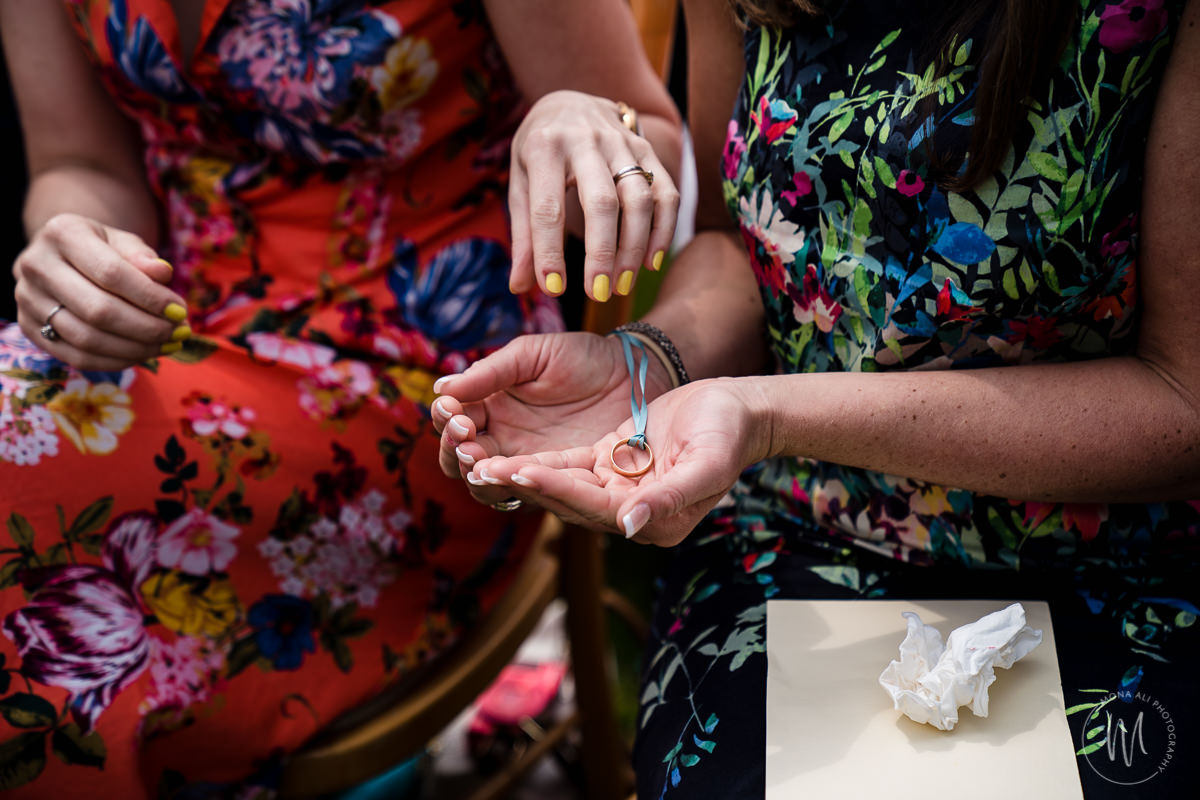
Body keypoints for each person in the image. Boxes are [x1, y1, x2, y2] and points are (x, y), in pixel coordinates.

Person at [434, 0, 1200, 797]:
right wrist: (649, 363)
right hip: (803, 528)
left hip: (1115, 560)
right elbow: (737, 246)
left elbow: (1185, 402)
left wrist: (766, 415)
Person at [0, 0, 681, 796]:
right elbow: (83, 165)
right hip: (166, 346)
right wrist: (75, 248)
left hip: (439, 403)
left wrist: (578, 117)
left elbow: (655, 141)